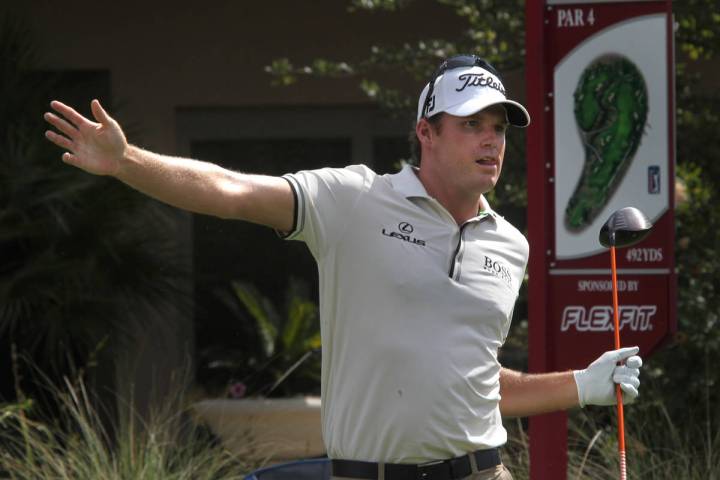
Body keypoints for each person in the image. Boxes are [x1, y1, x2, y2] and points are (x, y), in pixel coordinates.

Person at [44, 54, 642, 480]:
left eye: (497, 128)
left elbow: (472, 387)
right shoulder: (352, 200)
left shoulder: (511, 246)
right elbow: (230, 190)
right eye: (470, 126)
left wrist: (583, 385)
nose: (491, 141)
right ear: (425, 133)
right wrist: (127, 163)